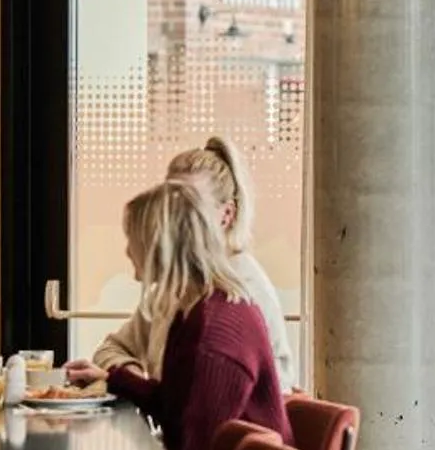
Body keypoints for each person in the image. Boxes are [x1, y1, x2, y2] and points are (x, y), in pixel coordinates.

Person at [70, 136, 297, 393]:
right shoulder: (177, 286)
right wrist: (132, 379)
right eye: (169, 201)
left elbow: (198, 419)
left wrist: (135, 386)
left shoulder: (239, 295)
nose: (170, 216)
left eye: (189, 206)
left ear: (227, 215)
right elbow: (114, 349)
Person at [104, 180, 293, 450]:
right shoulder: (197, 308)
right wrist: (111, 380)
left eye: (132, 239)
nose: (127, 251)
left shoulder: (214, 334)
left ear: (159, 247)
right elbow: (178, 406)